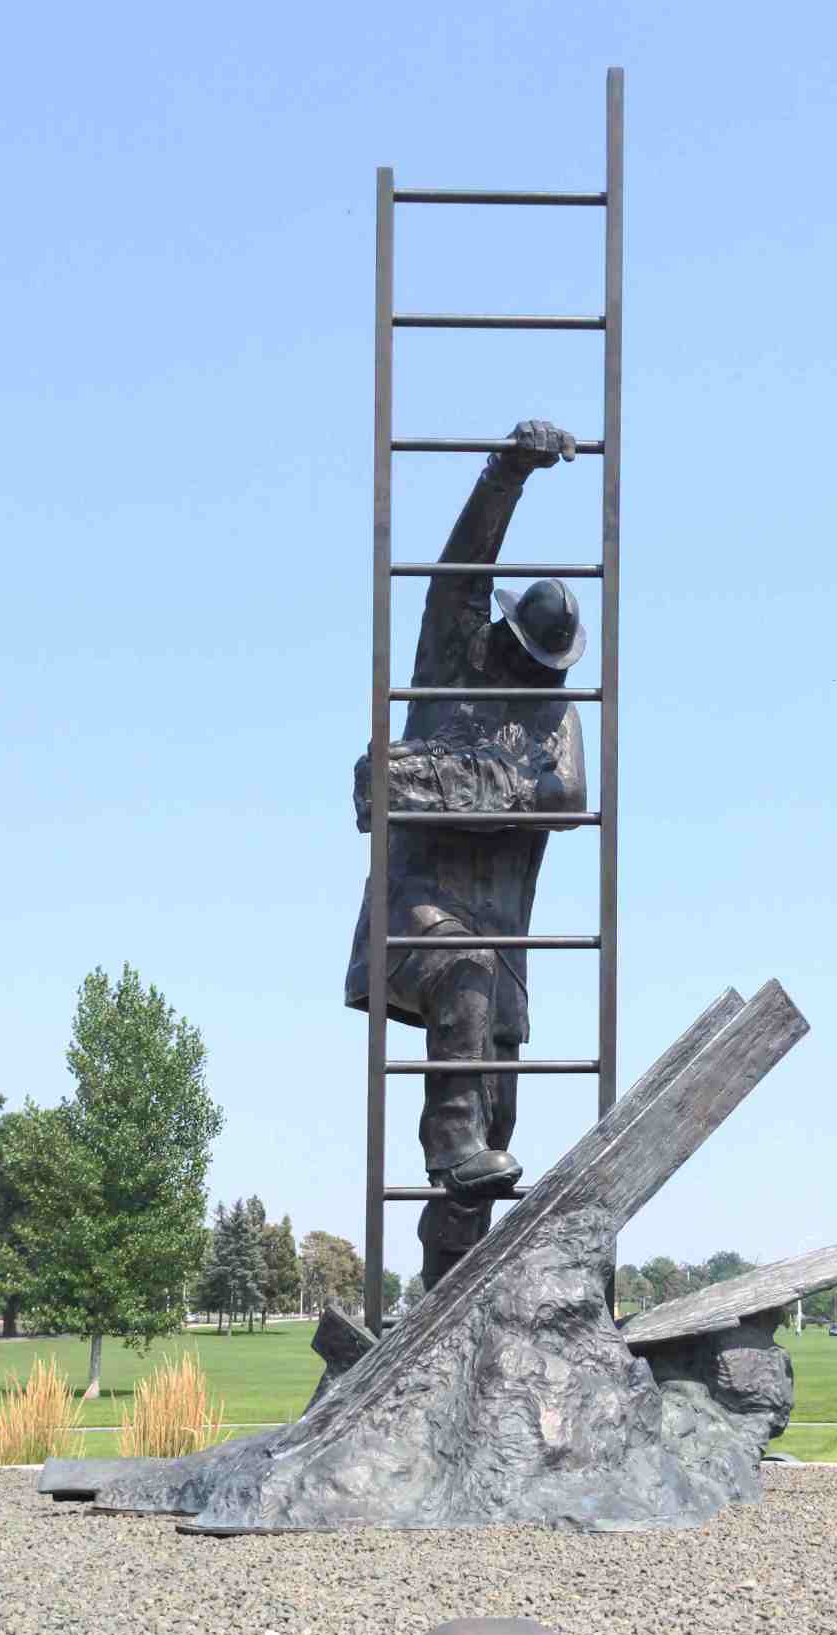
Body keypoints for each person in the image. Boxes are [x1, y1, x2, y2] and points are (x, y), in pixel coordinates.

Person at [346, 420, 588, 1289]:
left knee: (499, 1128)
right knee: (464, 976)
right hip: (421, 917)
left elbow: (563, 799)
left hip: (504, 950)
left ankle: (446, 1294)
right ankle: (446, 1142)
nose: (540, 680)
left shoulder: (559, 719)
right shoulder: (457, 659)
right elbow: (458, 573)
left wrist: (443, 783)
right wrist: (508, 473)